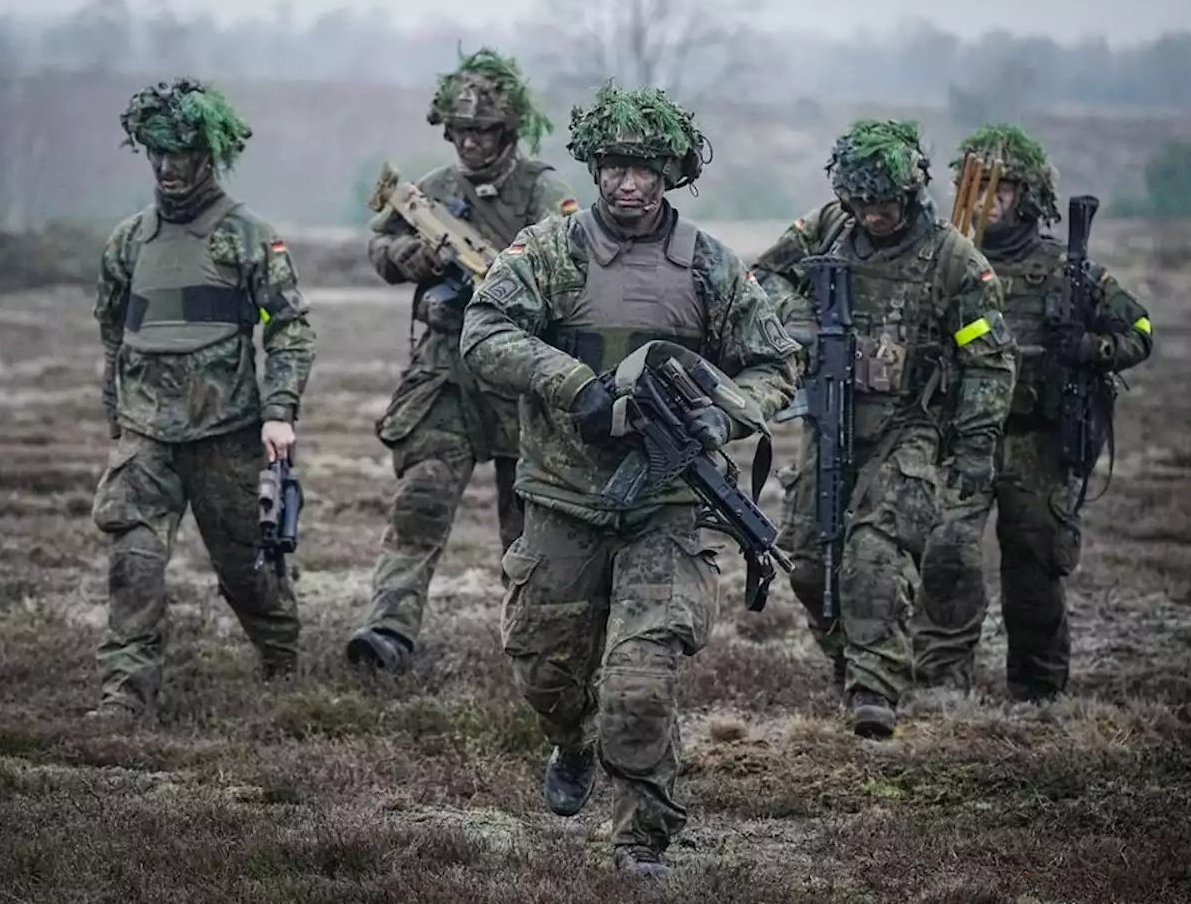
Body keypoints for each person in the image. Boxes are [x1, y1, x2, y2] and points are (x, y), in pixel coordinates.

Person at [460, 81, 800, 877]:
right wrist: (572, 385)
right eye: (613, 165)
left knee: (641, 683)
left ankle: (642, 838)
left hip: (668, 505)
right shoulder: (552, 249)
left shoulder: (711, 265)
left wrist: (726, 412)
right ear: (595, 166)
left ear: (673, 172)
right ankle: (570, 744)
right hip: (562, 500)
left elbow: (776, 362)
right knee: (547, 672)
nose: (628, 183)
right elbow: (484, 330)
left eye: (646, 168)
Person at [750, 119, 1017, 738]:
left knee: (871, 555)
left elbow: (989, 362)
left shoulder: (954, 262)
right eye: (863, 203)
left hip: (910, 431)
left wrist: (975, 449)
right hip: (829, 419)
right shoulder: (824, 230)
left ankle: (876, 689)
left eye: (886, 203)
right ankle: (851, 663)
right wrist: (799, 319)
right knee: (810, 563)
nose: (874, 215)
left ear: (912, 191)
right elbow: (760, 279)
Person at [88, 78, 316, 722]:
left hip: (226, 432)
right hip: (146, 436)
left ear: (207, 154)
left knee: (248, 570)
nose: (166, 167)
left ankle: (281, 659)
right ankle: (123, 696)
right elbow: (113, 329)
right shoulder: (129, 241)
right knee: (134, 558)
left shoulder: (248, 238)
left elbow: (289, 326)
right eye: (156, 152)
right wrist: (118, 412)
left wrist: (279, 410)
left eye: (180, 152)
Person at [347, 47, 578, 672]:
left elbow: (577, 266)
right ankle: (387, 633)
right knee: (419, 505)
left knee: (527, 527)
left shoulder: (541, 191)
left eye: (484, 132)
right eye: (462, 131)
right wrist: (411, 260)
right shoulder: (432, 192)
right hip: (444, 377)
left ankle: (537, 649)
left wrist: (511, 279)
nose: (472, 143)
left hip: (518, 379)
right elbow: (382, 244)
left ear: (507, 131)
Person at [913, 124, 1153, 701]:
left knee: (1036, 568)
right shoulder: (945, 263)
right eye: (978, 190)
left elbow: (1139, 330)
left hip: (1037, 444)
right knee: (945, 555)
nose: (987, 203)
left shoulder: (1066, 272)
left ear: (1028, 198)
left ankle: (1037, 693)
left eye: (1003, 191)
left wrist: (1090, 349)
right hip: (962, 436)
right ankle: (943, 686)